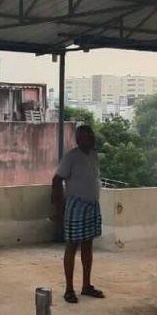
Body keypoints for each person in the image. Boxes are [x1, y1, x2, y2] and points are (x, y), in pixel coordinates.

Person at [51, 124, 106, 304]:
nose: (88, 139)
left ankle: (86, 286)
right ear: (78, 139)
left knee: (88, 246)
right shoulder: (71, 157)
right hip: (76, 206)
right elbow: (57, 180)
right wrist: (59, 206)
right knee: (72, 246)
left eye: (90, 135)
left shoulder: (94, 155)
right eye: (84, 136)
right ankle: (69, 289)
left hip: (92, 206)